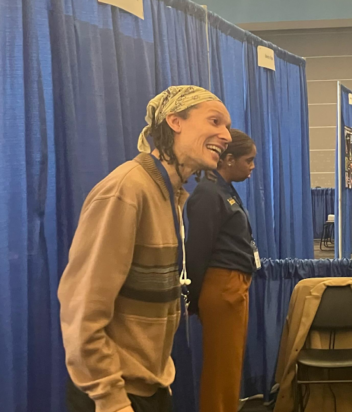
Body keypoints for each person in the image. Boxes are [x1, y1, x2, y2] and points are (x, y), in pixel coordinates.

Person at [58, 86, 233, 412]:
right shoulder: (126, 190)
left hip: (151, 386)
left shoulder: (172, 194)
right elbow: (82, 310)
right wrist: (111, 399)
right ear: (175, 122)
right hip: (114, 395)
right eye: (214, 121)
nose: (225, 135)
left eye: (226, 126)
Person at [186, 129, 257, 412]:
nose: (252, 166)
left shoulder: (224, 190)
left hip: (234, 285)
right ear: (227, 159)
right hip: (222, 285)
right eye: (248, 160)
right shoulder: (207, 193)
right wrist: (193, 297)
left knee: (230, 364)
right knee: (221, 368)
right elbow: (198, 249)